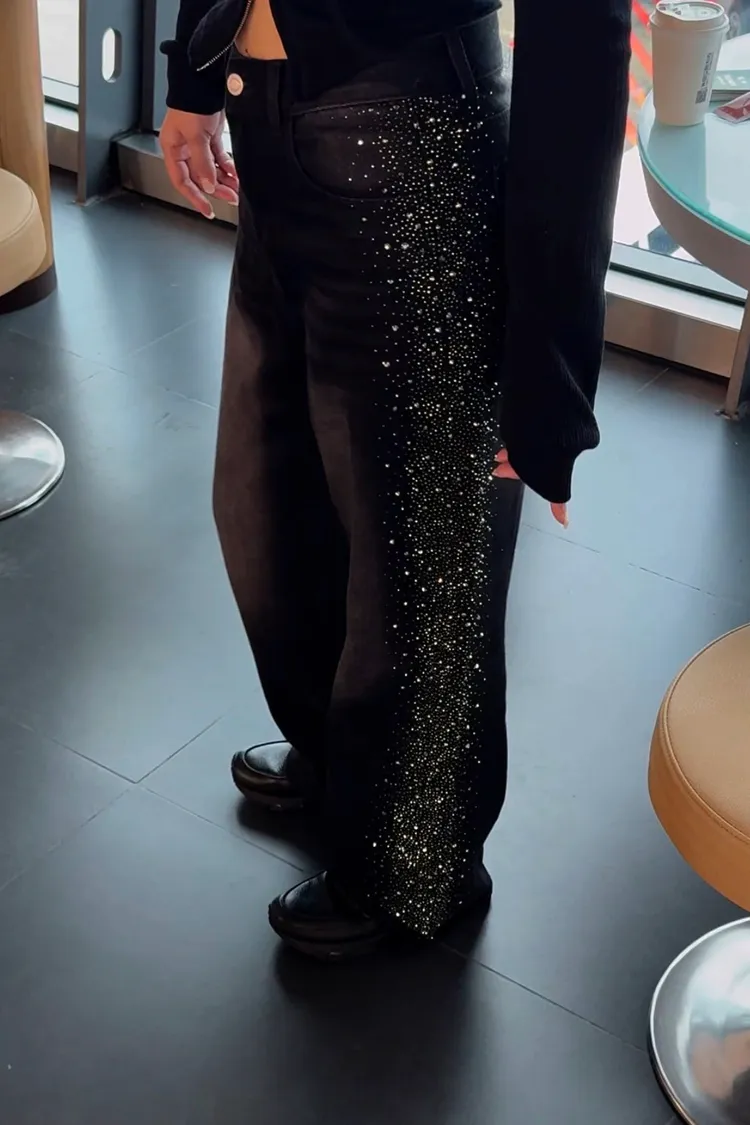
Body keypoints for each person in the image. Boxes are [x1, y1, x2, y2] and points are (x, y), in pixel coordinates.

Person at [159, 0, 629, 961]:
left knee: (419, 555)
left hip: (416, 146)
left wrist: (550, 371)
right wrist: (196, 77)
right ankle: (345, 761)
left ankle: (416, 866)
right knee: (271, 502)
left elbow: (582, 36)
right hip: (268, 111)